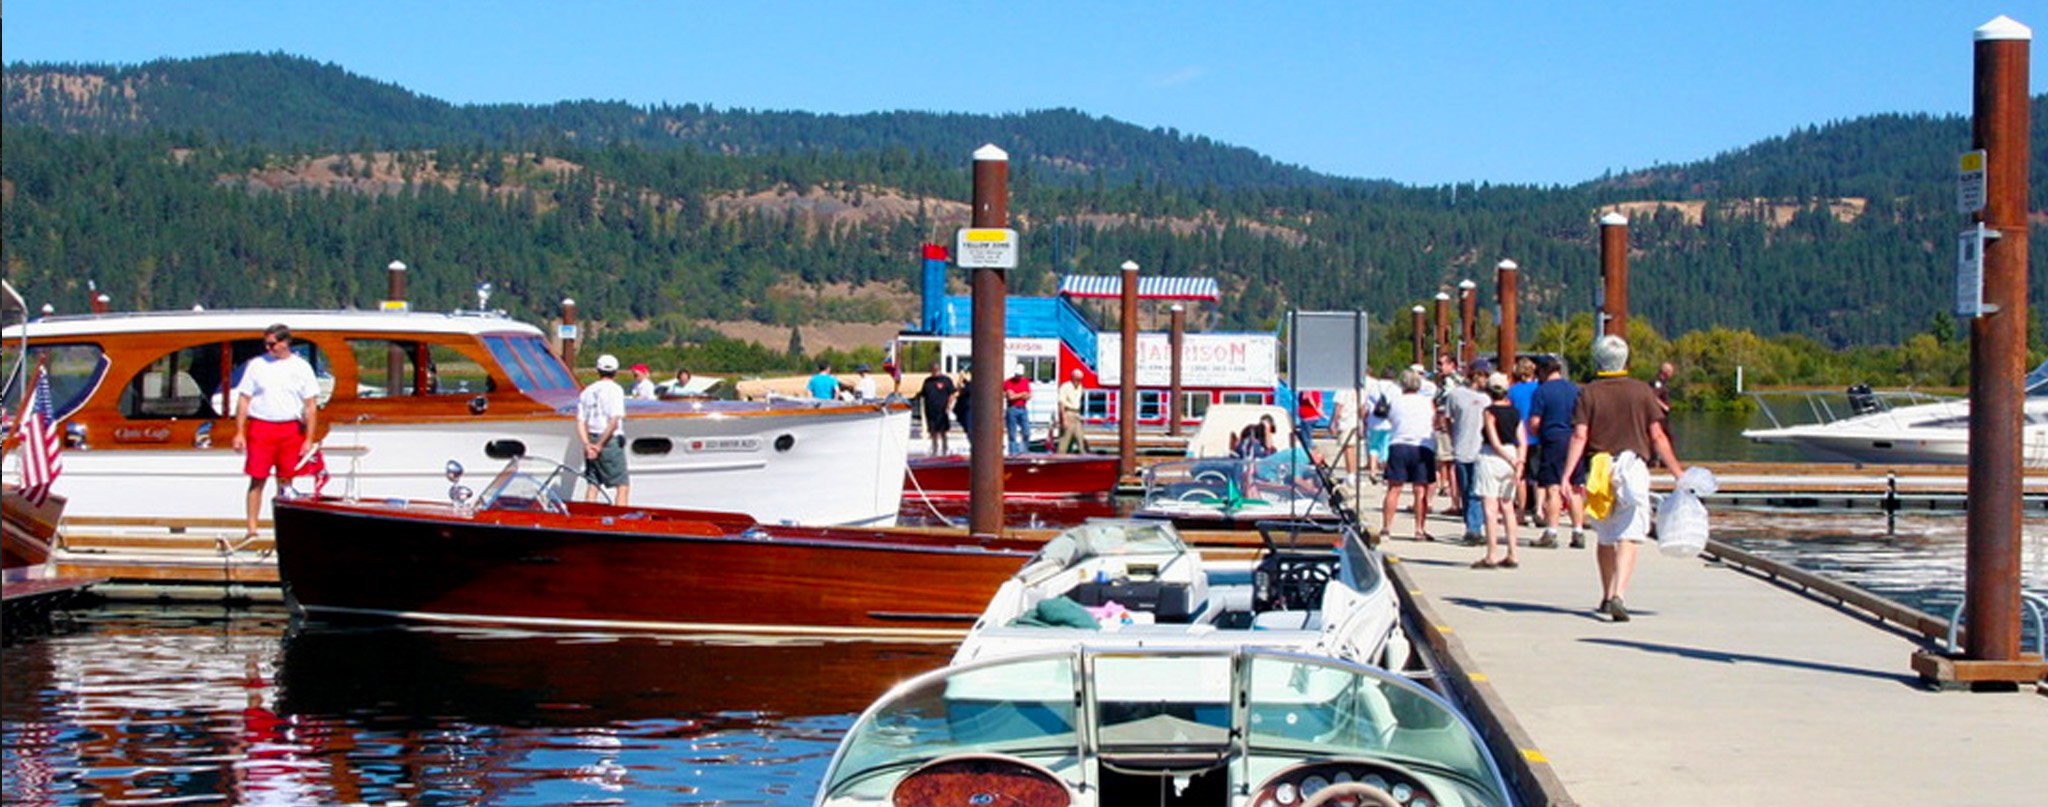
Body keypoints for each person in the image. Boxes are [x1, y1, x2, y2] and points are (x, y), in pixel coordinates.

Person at [1561, 335, 1684, 622]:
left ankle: (1605, 595)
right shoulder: (1642, 392)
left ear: (1598, 360)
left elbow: (1580, 435)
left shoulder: (1588, 393)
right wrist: (1678, 472)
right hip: (1633, 468)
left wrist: (1567, 474)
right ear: (1625, 360)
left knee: (1605, 535)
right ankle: (1619, 593)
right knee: (1629, 534)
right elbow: (1657, 436)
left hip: (1601, 468)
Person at [231, 324, 321, 542]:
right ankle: (252, 529)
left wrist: (309, 439)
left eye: (273, 344)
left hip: (290, 427)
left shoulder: (301, 367)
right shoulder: (257, 365)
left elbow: (310, 405)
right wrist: (239, 432)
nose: (269, 348)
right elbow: (244, 399)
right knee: (257, 478)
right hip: (262, 426)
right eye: (266, 344)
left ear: (285, 342)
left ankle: (285, 529)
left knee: (286, 482)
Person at [1528, 354, 1586, 548]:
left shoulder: (1542, 392)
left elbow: (1535, 422)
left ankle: (1551, 532)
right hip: (1574, 440)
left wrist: (1535, 432)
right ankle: (1578, 531)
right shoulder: (1575, 390)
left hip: (1553, 440)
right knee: (1575, 487)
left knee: (1553, 488)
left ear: (1544, 371)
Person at [1471, 372, 1525, 569]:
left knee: (1490, 507)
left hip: (1493, 457)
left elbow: (1493, 440)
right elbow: (1522, 439)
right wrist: (1519, 461)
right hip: (1512, 455)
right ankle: (1513, 552)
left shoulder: (1489, 412)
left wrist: (1510, 458)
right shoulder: (1515, 412)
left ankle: (1492, 553)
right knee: (1508, 507)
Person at [1378, 366, 1438, 542]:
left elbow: (1389, 419)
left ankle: (1386, 527)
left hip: (1399, 444)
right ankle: (1419, 529)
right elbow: (1434, 420)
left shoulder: (1395, 401)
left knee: (1394, 488)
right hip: (1422, 446)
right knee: (1420, 489)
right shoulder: (1427, 402)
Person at [1446, 362, 1492, 543]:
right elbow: (1448, 419)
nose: (1486, 380)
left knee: (1475, 491)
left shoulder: (1487, 399)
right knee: (1465, 490)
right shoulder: (1456, 395)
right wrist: (1453, 437)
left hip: (1480, 450)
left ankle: (1475, 528)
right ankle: (1470, 524)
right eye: (1485, 376)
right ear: (1477, 375)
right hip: (1461, 448)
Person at [578, 354, 630, 505]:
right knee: (622, 486)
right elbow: (614, 421)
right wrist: (599, 445)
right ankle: (621, 521)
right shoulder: (616, 390)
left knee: (593, 483)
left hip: (591, 438)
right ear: (616, 371)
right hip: (609, 441)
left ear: (598, 370)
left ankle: (588, 519)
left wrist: (588, 445)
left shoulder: (587, 391)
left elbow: (581, 421)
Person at [1506, 357, 1541, 528]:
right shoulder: (1539, 389)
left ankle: (1520, 511)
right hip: (1536, 436)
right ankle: (1539, 510)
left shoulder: (1512, 391)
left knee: (1520, 476)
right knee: (1537, 476)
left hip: (1518, 437)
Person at [915, 361, 957, 455]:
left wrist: (948, 406)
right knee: (933, 431)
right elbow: (923, 393)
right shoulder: (928, 381)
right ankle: (935, 449)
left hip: (942, 410)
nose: (935, 372)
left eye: (936, 370)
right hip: (930, 410)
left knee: (943, 431)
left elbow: (952, 394)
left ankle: (945, 449)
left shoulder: (946, 380)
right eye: (933, 370)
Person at [1055, 368, 1088, 454]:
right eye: (1077, 379)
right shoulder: (1065, 387)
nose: (1078, 381)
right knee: (1064, 441)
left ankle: (1084, 459)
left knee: (1081, 440)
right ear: (1072, 377)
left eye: (1080, 379)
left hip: (1077, 414)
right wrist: (1063, 419)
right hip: (1068, 413)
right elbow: (1061, 404)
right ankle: (1059, 459)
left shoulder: (1080, 387)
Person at [1003, 369, 1032, 454]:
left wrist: (1017, 395)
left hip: (1023, 408)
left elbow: (1029, 395)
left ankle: (1024, 451)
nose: (1018, 377)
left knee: (1026, 432)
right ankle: (1013, 453)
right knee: (1012, 434)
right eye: (1017, 375)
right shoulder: (1008, 382)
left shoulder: (1025, 381)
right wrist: (1023, 394)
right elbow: (1010, 397)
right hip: (1012, 409)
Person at [953, 369, 973, 440]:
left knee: (971, 430)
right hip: (964, 409)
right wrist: (961, 378)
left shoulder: (973, 384)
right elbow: (957, 389)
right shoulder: (965, 384)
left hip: (970, 409)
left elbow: (967, 389)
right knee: (968, 429)